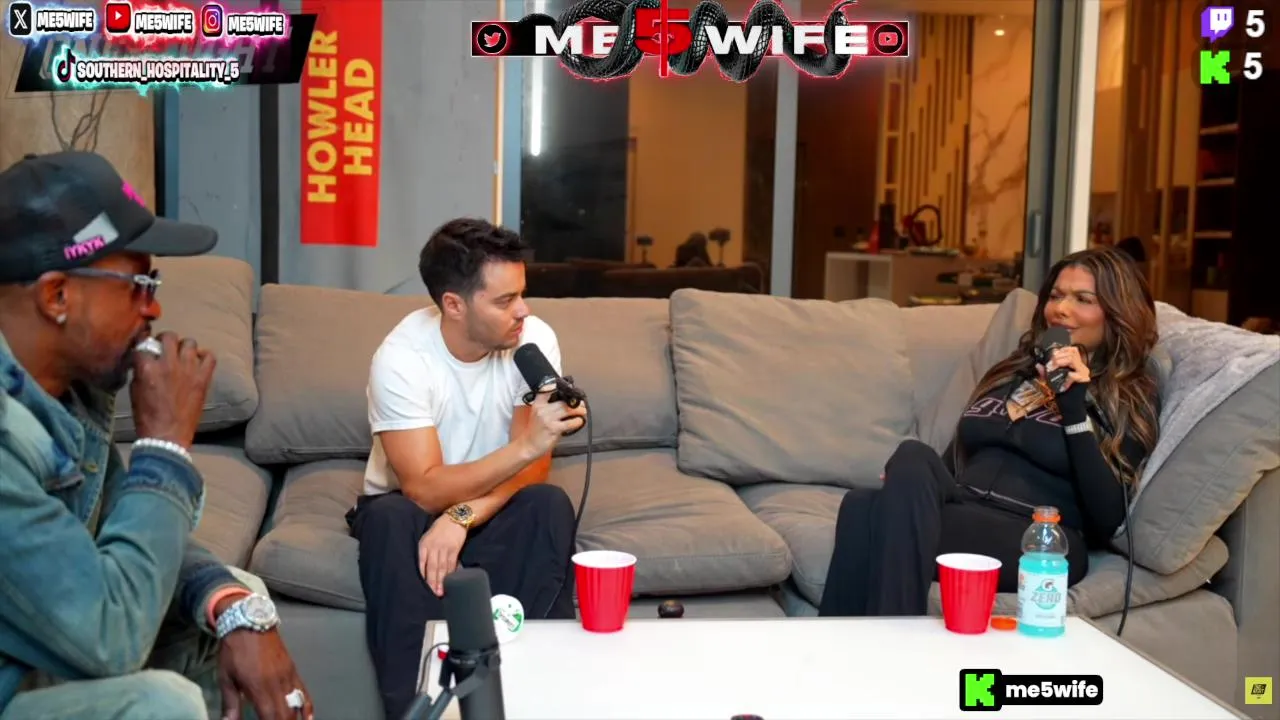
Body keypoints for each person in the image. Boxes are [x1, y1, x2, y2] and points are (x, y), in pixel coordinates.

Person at [0, 151, 313, 719]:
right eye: (139, 285)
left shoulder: (68, 396)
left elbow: (118, 525)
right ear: (56, 296)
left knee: (237, 604)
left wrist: (231, 604)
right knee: (160, 705)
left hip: (37, 653)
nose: (155, 307)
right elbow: (109, 637)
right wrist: (164, 447)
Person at [819, 246, 1160, 617]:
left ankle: (885, 637)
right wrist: (908, 487)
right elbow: (952, 464)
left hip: (1035, 535)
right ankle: (870, 641)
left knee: (866, 511)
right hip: (965, 508)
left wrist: (1074, 407)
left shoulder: (1126, 394)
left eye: (1083, 299)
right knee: (897, 470)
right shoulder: (1013, 373)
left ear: (1118, 313)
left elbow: (1107, 518)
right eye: (1056, 295)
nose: (1061, 308)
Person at [347, 218, 586, 719]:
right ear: (453, 305)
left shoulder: (533, 341)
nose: (523, 311)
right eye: (505, 300)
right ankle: (422, 711)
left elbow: (532, 469)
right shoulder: (401, 359)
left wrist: (461, 518)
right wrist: (526, 447)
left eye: (522, 294)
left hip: (492, 504)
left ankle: (537, 702)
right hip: (410, 510)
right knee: (389, 520)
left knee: (547, 504)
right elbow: (422, 488)